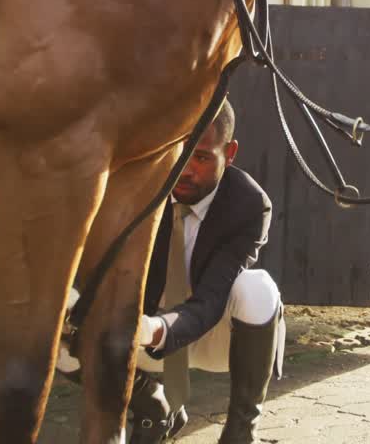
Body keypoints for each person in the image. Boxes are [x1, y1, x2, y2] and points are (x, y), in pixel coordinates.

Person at [60, 99, 284, 444]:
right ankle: (151, 403)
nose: (185, 169)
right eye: (178, 152)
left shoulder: (249, 204)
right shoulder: (140, 187)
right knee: (56, 317)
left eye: (202, 157)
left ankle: (241, 431)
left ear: (230, 153)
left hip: (214, 336)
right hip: (141, 334)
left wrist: (151, 329)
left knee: (258, 288)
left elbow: (211, 300)